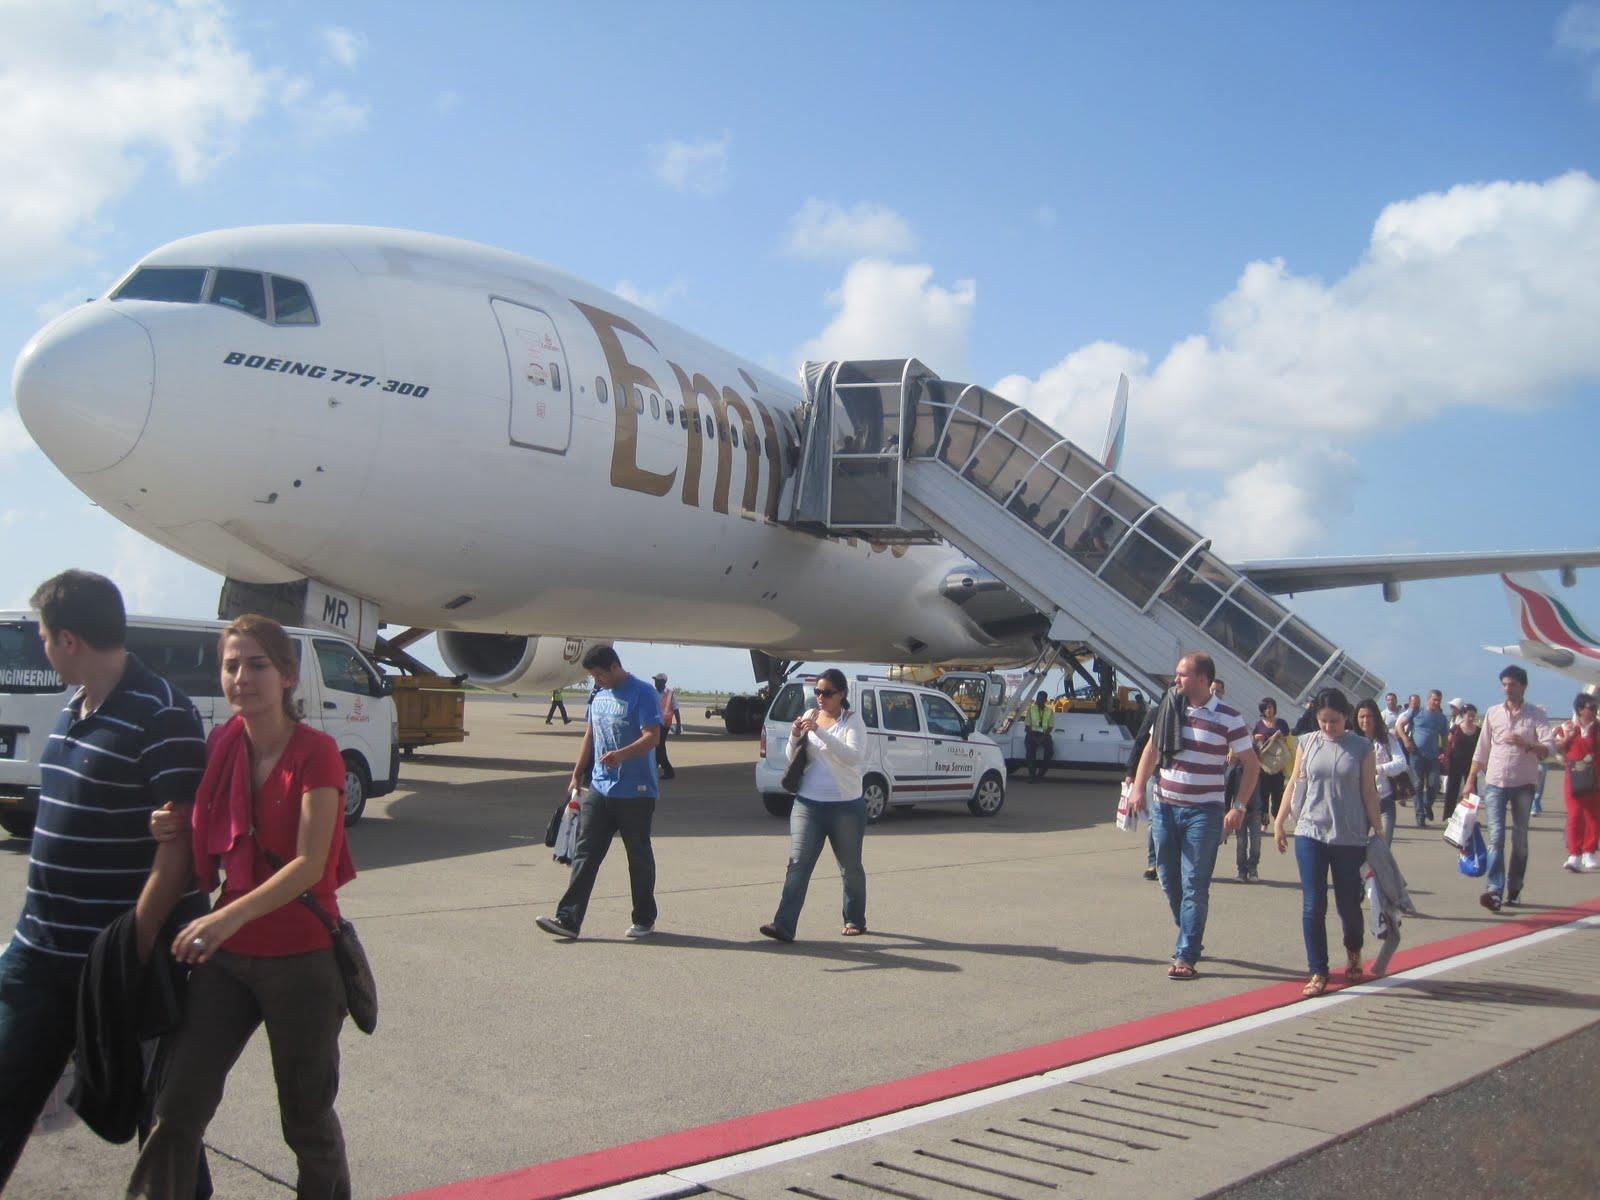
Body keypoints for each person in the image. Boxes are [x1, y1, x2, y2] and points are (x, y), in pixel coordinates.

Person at [130, 614, 355, 1198]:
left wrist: (224, 915)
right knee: (175, 1109)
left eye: (257, 664)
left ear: (287, 674)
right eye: (231, 665)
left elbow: (311, 865)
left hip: (301, 958)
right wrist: (169, 824)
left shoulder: (318, 752)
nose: (241, 678)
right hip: (229, 961)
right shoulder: (222, 743)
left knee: (306, 1122)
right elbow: (209, 819)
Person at [0, 571, 207, 1188]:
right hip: (38, 957)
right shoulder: (72, 710)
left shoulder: (163, 713)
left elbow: (181, 849)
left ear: (68, 639)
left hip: (112, 965)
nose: (42, 647)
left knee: (160, 1122)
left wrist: (130, 953)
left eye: (42, 636)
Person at [1128, 652, 1258, 980]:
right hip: (1166, 807)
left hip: (1205, 812)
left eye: (1182, 675)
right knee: (1168, 879)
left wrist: (1239, 806)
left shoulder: (1229, 717)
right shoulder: (1171, 708)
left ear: (1203, 679)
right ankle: (1189, 931)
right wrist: (1139, 787)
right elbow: (1152, 750)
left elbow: (1251, 764)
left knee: (1194, 884)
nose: (1176, 681)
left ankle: (1185, 954)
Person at [536, 646, 662, 939]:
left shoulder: (642, 692)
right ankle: (568, 920)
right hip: (600, 788)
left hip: (636, 793)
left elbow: (652, 736)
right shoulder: (598, 695)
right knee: (585, 853)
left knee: (638, 857)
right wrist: (576, 773)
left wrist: (622, 755)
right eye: (592, 676)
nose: (596, 680)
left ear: (614, 667)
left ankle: (644, 918)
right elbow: (590, 735)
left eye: (599, 674)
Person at [1274, 687, 1382, 998]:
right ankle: (1318, 970)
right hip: (1310, 831)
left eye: (1334, 721)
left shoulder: (1362, 748)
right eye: (1323, 721)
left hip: (1349, 835)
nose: (1328, 727)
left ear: (1346, 718)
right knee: (1313, 904)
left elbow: (1369, 793)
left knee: (1349, 904)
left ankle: (1353, 950)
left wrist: (1378, 833)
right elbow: (1294, 783)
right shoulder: (1307, 743)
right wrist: (1281, 821)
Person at [759, 669, 869, 941]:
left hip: (845, 806)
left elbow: (853, 757)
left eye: (827, 693)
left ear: (842, 695)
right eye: (818, 692)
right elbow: (791, 756)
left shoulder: (852, 722)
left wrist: (821, 732)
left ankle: (854, 917)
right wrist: (796, 735)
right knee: (798, 863)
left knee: (850, 868)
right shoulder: (809, 715)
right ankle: (783, 925)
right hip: (808, 803)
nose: (821, 698)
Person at [1463, 665, 1554, 912]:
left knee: (1520, 839)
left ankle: (1514, 887)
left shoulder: (1535, 714)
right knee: (1496, 838)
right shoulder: (1493, 713)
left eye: (1512, 684)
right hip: (1494, 783)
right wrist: (1471, 779)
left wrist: (1528, 744)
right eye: (1504, 684)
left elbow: (1549, 748)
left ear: (1523, 686)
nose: (1507, 689)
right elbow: (1481, 750)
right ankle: (1494, 890)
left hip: (1524, 783)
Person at [1552, 694, 1600, 872]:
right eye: (1591, 707)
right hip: (1574, 778)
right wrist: (1567, 738)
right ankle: (1574, 854)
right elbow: (1555, 750)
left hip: (1596, 778)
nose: (1595, 710)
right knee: (1575, 816)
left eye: (1596, 707)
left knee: (1594, 816)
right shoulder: (1567, 727)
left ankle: (1589, 852)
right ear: (1580, 709)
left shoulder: (1598, 728)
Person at [1355, 698, 1410, 845]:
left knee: (1384, 847)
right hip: (1359, 802)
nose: (1365, 720)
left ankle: (1379, 869)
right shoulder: (1351, 740)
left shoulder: (1387, 738)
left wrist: (1378, 769)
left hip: (1384, 799)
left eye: (1369, 716)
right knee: (1357, 847)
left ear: (1376, 717)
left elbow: (1401, 763)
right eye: (1362, 716)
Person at [1397, 690, 1449, 825]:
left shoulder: (1442, 718)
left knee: (1433, 785)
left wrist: (1445, 753)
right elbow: (1399, 726)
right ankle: (1420, 816)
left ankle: (1427, 804)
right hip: (1416, 754)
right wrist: (1406, 741)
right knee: (1418, 784)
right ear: (1428, 699)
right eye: (1434, 700)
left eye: (1439, 700)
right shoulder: (1417, 712)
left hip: (1433, 756)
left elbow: (1444, 738)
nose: (1436, 702)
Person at [1253, 699, 1292, 825]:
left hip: (1278, 763)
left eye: (1270, 707)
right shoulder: (1259, 724)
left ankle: (1277, 819)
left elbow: (1287, 737)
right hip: (1264, 764)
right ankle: (1264, 821)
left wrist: (1279, 736)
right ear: (1262, 710)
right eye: (1265, 708)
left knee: (1277, 794)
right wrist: (1256, 737)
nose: (1268, 710)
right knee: (1263, 793)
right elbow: (1254, 740)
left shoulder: (1281, 723)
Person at [1443, 704, 1481, 821]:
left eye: (1473, 716)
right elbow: (1448, 744)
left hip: (1472, 763)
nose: (1471, 718)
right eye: (1469, 715)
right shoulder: (1455, 729)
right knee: (1452, 788)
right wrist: (1446, 757)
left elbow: (1482, 747)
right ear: (1463, 715)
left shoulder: (1478, 731)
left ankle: (1471, 817)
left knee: (1472, 789)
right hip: (1456, 761)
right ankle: (1449, 815)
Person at [1023, 691, 1053, 783]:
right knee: (1030, 752)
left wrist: (1043, 738)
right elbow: (1027, 725)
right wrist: (1033, 738)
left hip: (1044, 734)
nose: (1038, 701)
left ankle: (1040, 774)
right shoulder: (1031, 709)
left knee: (1050, 752)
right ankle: (1032, 776)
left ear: (1045, 700)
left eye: (1041, 699)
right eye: (1038, 699)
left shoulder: (1049, 710)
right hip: (1032, 733)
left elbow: (1050, 726)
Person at [653, 673, 677, 781]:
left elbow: (676, 709)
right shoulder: (652, 693)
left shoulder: (670, 694)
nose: (655, 682)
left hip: (664, 724)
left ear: (663, 682)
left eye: (657, 680)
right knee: (658, 747)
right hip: (654, 723)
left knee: (658, 747)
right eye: (655, 680)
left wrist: (679, 724)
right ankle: (655, 767)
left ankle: (669, 770)